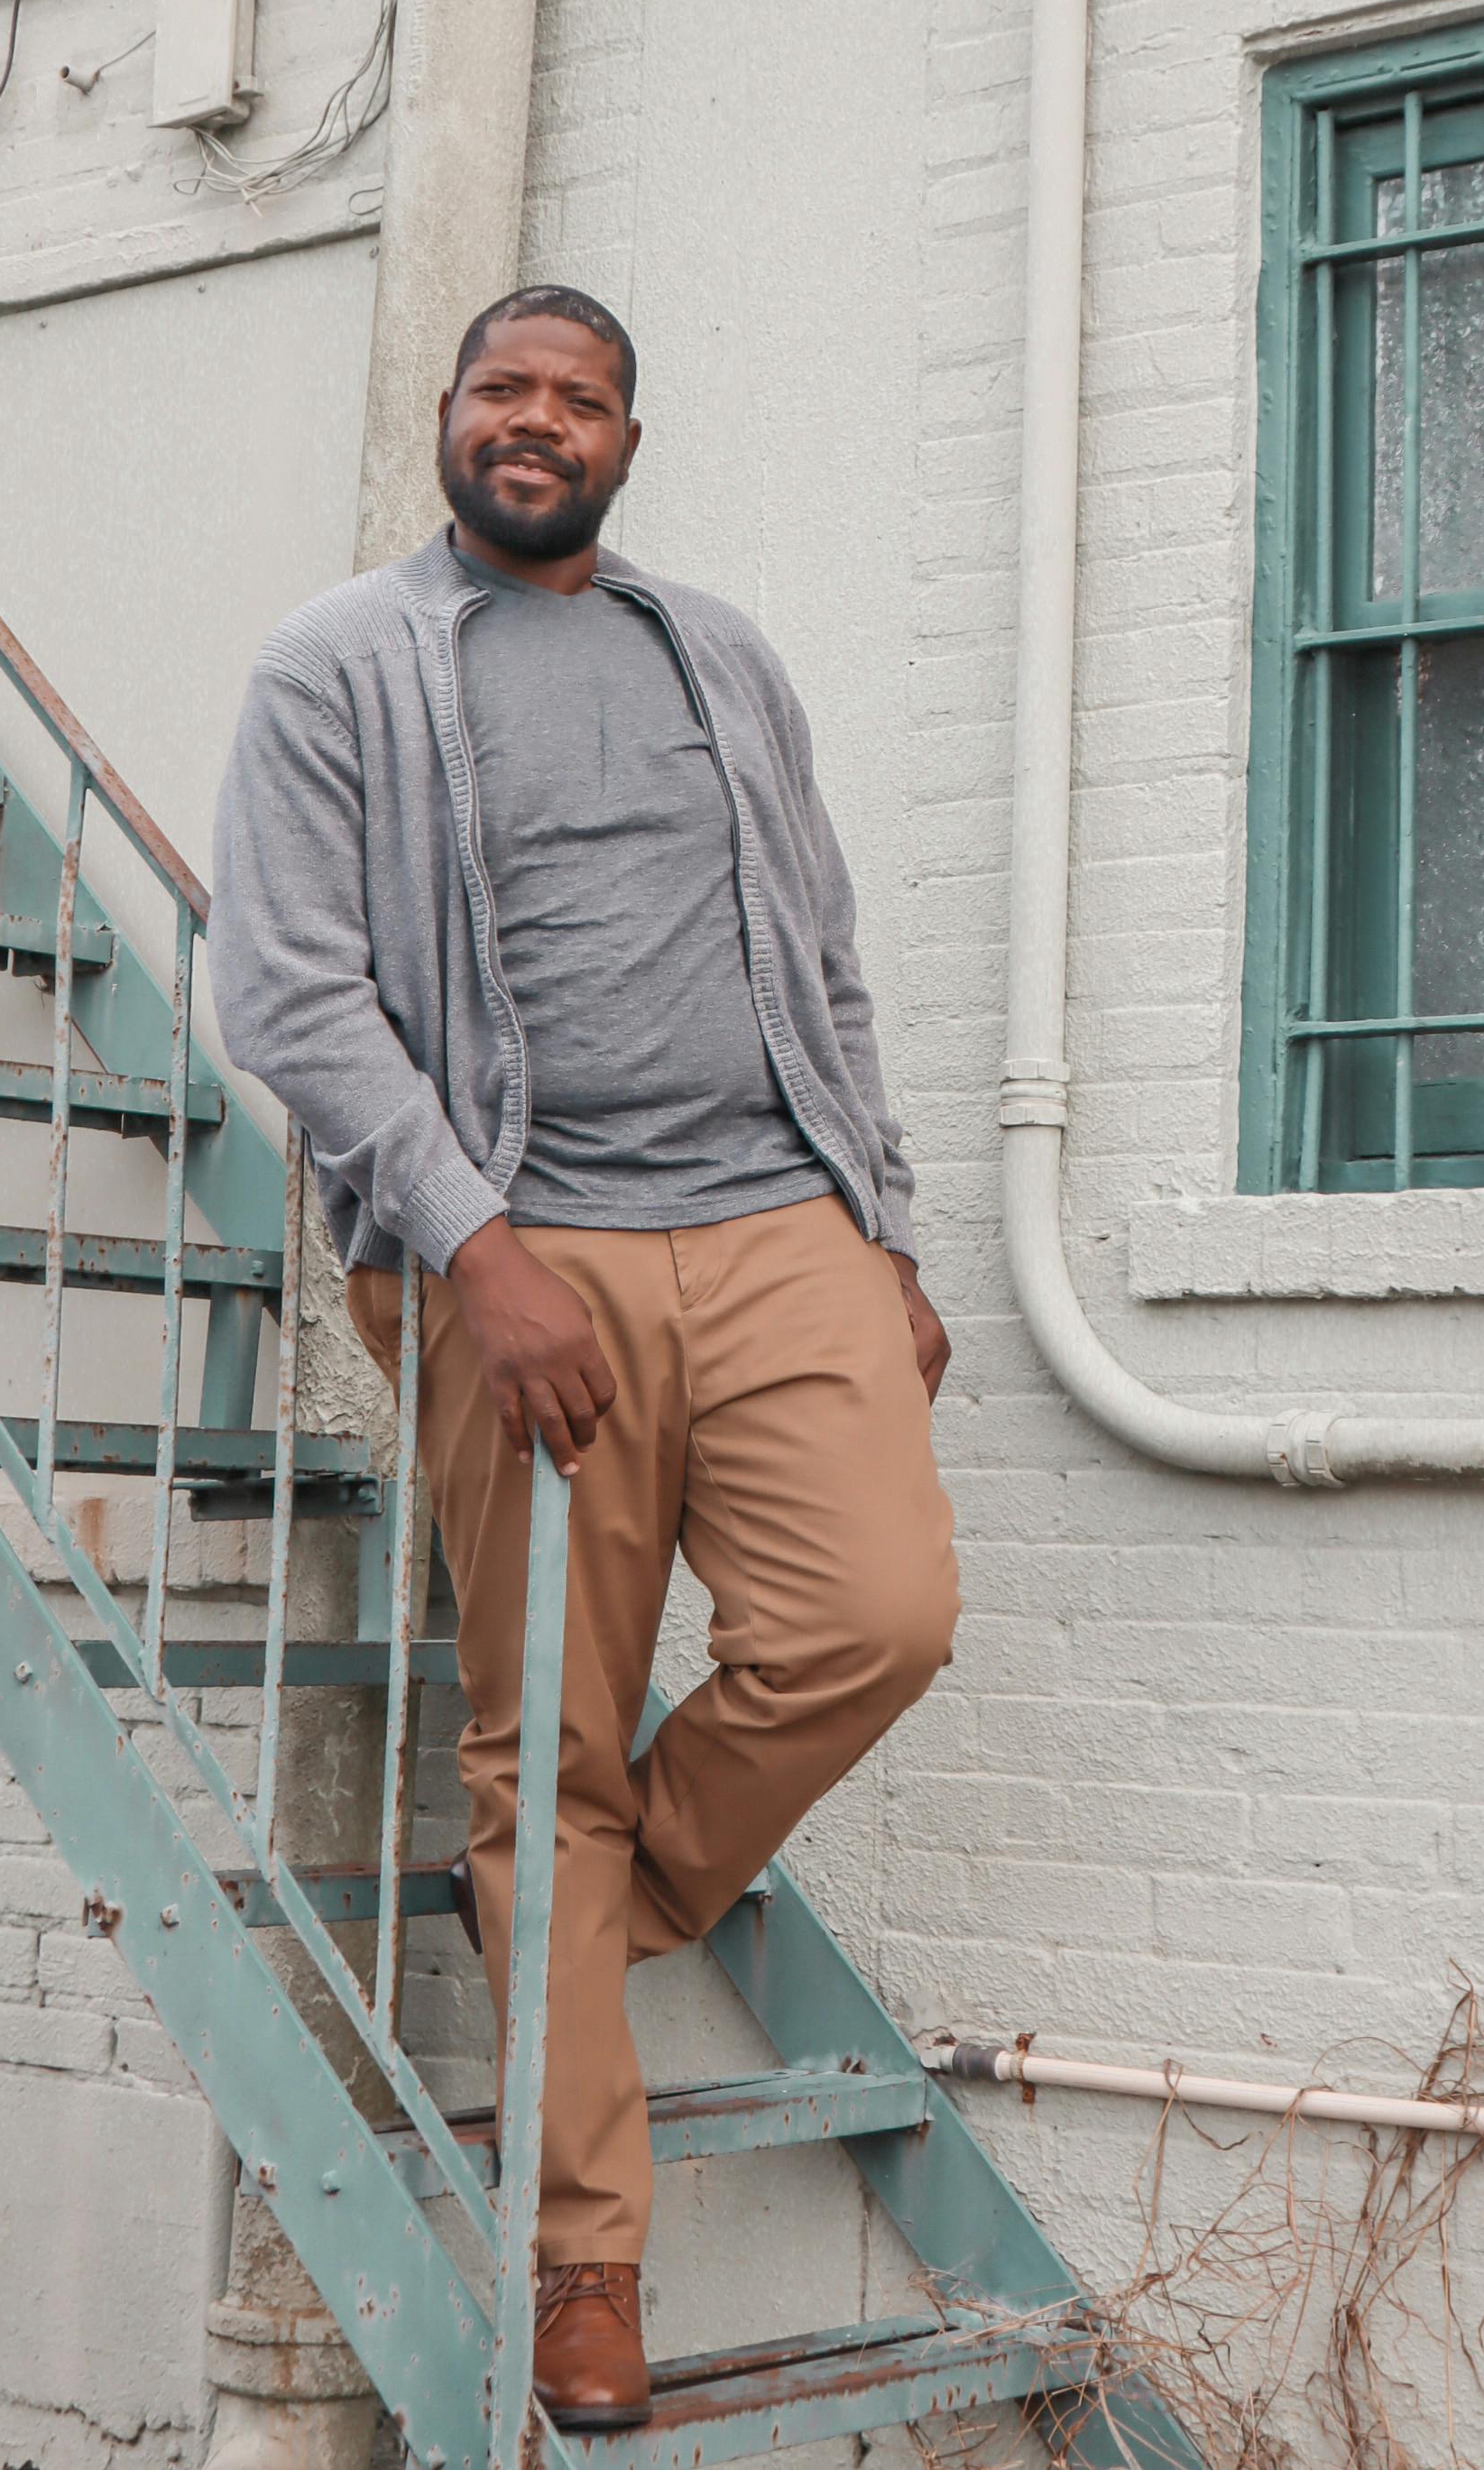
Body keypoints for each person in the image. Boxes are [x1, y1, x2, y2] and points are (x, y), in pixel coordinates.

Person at [209, 285, 957, 2429]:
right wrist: (473, 1249)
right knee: (543, 1747)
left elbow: (818, 953)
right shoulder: (338, 663)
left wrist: (881, 1227)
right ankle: (585, 2269)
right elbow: (288, 988)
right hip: (527, 1246)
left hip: (776, 1216)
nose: (534, 422)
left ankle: (580, 1902)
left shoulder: (714, 650)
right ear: (448, 421)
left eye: (577, 398)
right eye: (500, 391)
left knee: (876, 1619)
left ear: (628, 436)